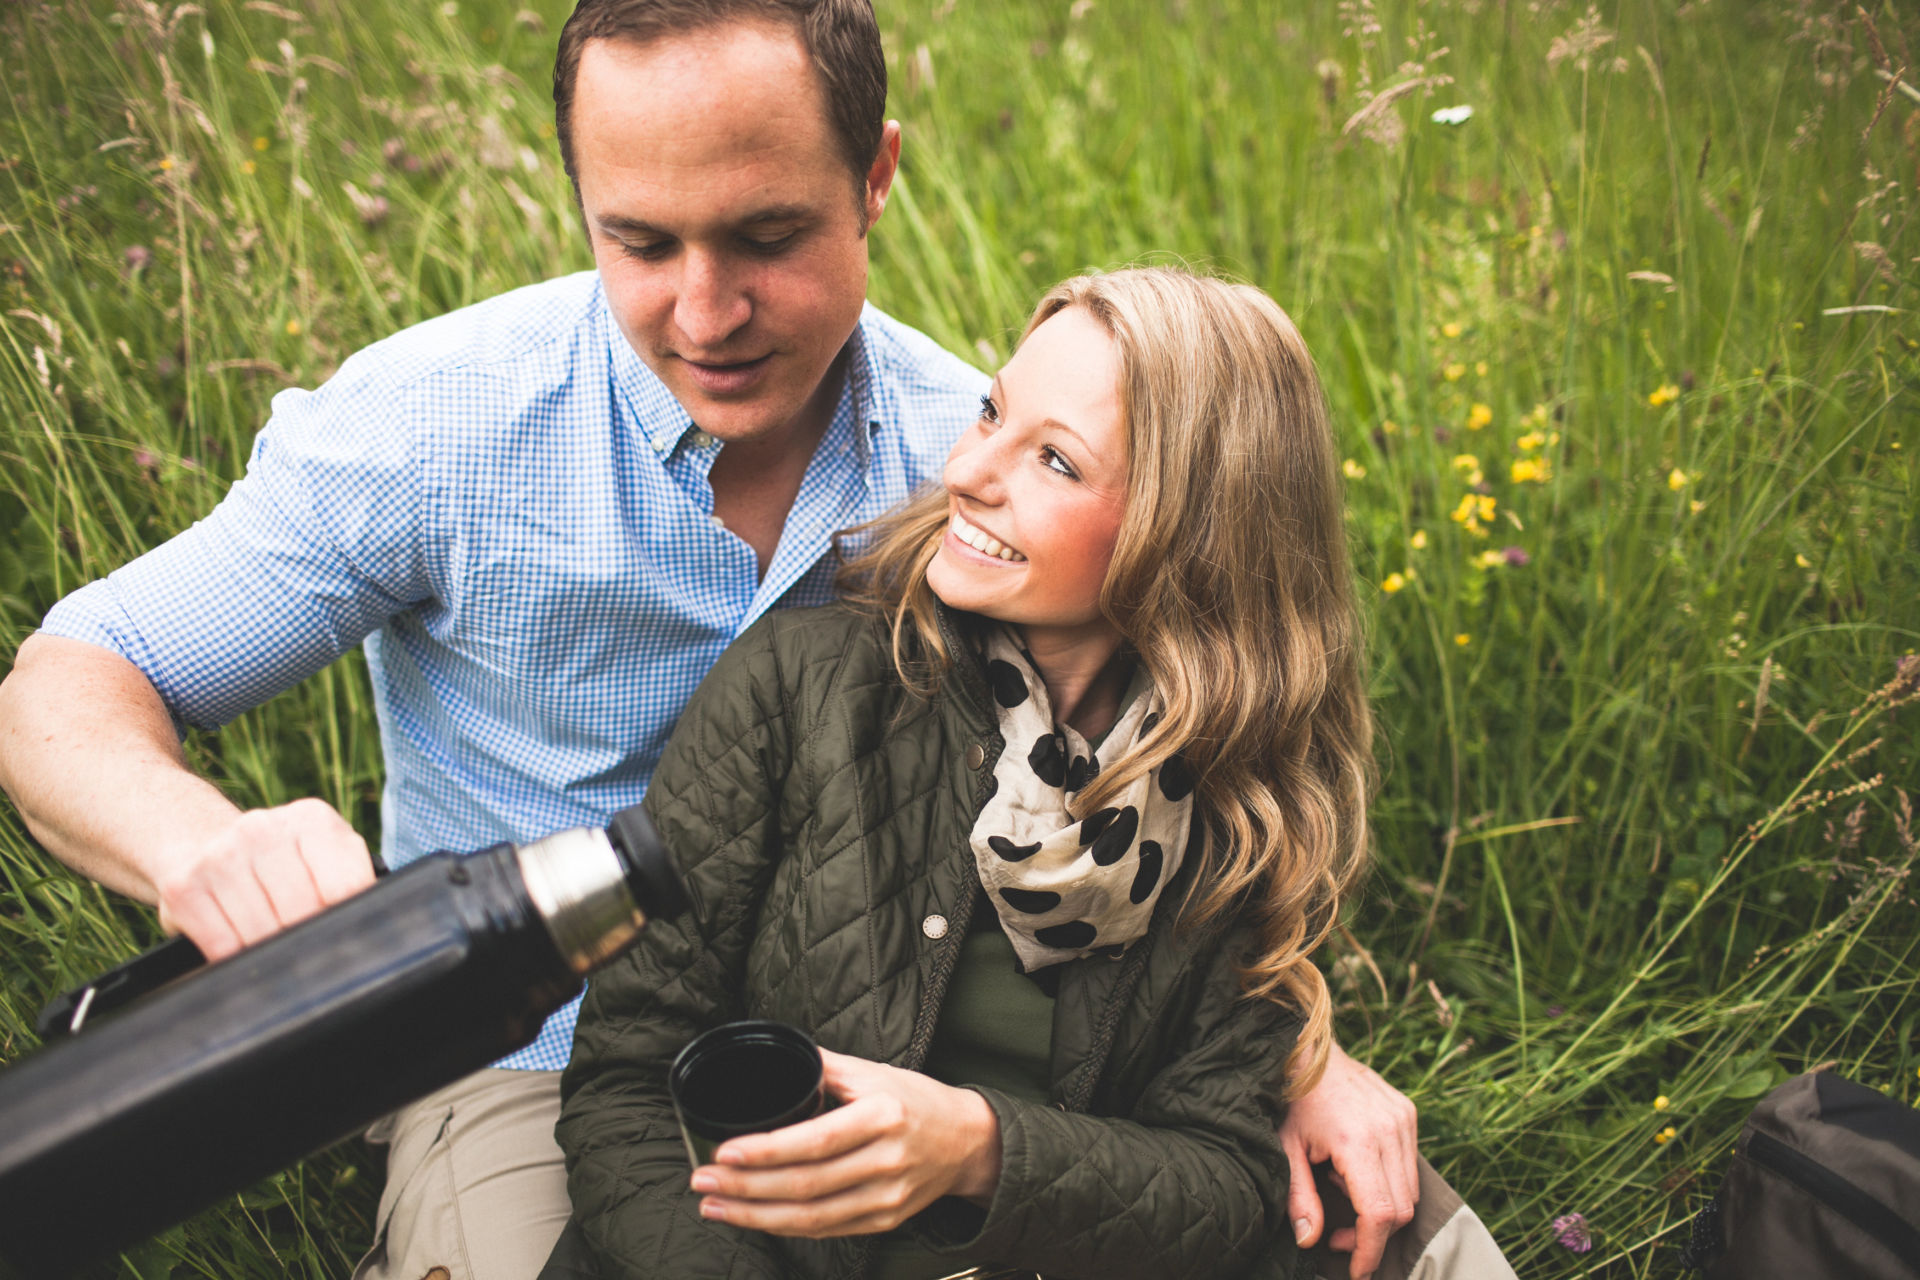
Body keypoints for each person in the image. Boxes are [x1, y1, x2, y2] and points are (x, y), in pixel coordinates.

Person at [0, 3, 1419, 1277]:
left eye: (766, 236)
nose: (705, 313)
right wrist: (197, 845)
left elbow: (1165, 745)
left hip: (870, 1024)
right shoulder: (436, 431)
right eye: (641, 240)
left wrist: (1297, 1049)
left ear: (875, 181)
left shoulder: (960, 457)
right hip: (520, 1042)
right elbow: (70, 683)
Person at [546, 268, 1514, 1280]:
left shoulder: (1237, 794)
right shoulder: (803, 689)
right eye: (990, 413)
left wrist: (979, 1147)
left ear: (1187, 527)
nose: (971, 470)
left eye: (1055, 459)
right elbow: (624, 1079)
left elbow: (1226, 1177)